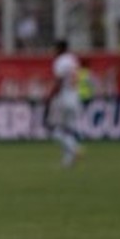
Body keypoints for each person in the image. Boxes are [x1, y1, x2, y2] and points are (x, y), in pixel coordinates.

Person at [44, 39, 83, 168]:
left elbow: (59, 81)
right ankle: (68, 161)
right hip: (75, 97)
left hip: (63, 98)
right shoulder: (73, 60)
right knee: (68, 130)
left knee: (53, 130)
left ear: (60, 49)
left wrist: (50, 95)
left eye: (55, 49)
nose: (53, 52)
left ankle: (75, 147)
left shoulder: (60, 61)